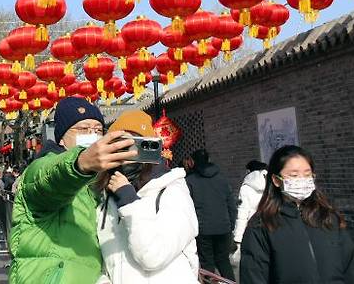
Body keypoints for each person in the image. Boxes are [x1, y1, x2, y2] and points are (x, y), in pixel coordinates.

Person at [9, 97, 137, 284]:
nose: (92, 134)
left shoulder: (101, 180)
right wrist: (80, 164)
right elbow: (49, 179)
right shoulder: (45, 168)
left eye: (98, 130)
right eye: (83, 129)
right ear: (61, 138)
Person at [95, 110, 199, 283]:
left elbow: (152, 256)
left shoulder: (171, 190)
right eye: (120, 144)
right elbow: (105, 262)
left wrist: (129, 200)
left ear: (149, 148)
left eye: (136, 143)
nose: (128, 152)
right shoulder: (106, 195)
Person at [240, 145, 354, 283]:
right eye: (294, 175)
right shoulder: (262, 226)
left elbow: (351, 269)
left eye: (307, 174)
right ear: (276, 180)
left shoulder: (328, 217)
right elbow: (254, 277)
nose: (302, 180)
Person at [185, 148, 237, 280]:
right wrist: (230, 225)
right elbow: (231, 204)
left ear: (192, 162)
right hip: (223, 227)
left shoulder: (190, 181)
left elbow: (188, 208)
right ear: (209, 160)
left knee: (207, 264)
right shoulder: (222, 178)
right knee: (224, 262)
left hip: (203, 229)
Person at [230, 160, 267, 265]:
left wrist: (237, 238)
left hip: (253, 229)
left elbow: (242, 214)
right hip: (272, 225)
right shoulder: (272, 183)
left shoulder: (246, 188)